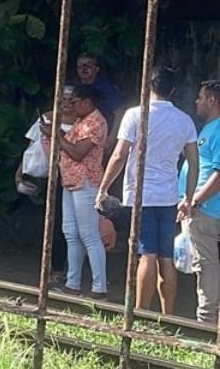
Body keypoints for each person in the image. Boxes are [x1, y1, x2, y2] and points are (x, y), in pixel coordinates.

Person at [97, 66, 198, 315]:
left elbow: (120, 155)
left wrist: (104, 187)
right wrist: (188, 197)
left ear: (148, 86)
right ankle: (168, 315)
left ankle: (141, 314)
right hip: (168, 196)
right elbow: (194, 163)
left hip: (141, 195)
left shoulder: (135, 115)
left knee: (146, 255)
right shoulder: (184, 120)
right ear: (173, 89)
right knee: (166, 257)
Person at [41, 84, 107, 299]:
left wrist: (56, 135)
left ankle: (99, 288)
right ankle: (73, 283)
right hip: (71, 182)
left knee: (89, 235)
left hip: (86, 183)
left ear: (87, 102)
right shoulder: (82, 121)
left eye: (75, 101)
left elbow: (78, 153)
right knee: (71, 233)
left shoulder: (95, 123)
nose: (71, 105)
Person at [15, 84, 74, 286]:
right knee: (50, 222)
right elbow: (30, 150)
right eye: (62, 99)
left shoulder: (83, 123)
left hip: (71, 178)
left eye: (70, 100)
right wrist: (19, 174)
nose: (66, 104)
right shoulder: (45, 119)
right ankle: (49, 267)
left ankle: (60, 269)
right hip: (48, 176)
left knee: (63, 224)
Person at [178, 79, 220, 324]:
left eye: (200, 98)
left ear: (212, 100)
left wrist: (194, 200)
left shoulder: (217, 129)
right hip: (203, 207)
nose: (196, 102)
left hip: (206, 209)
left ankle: (206, 319)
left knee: (205, 263)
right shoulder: (209, 128)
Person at [75, 53, 122, 135]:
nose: (84, 68)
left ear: (96, 69)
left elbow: (119, 112)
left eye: (88, 65)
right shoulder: (76, 89)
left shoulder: (106, 88)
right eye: (80, 65)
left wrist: (111, 138)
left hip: (104, 133)